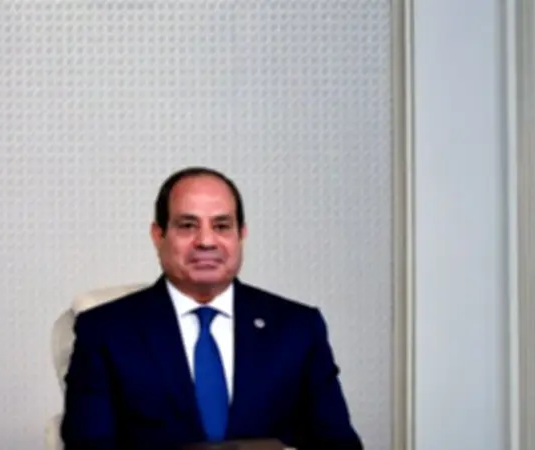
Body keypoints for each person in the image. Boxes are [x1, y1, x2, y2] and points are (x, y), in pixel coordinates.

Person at [60, 167, 363, 450]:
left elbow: (338, 444)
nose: (206, 241)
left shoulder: (298, 328)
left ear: (241, 234)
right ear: (158, 235)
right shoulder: (104, 332)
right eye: (187, 225)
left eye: (221, 226)